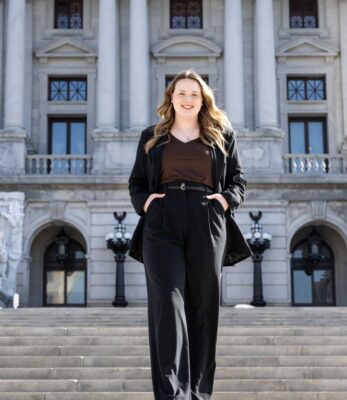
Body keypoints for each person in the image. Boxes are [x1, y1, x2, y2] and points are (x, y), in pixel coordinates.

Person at [128, 70, 252, 400]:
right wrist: (145, 203)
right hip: (162, 221)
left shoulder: (221, 135)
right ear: (170, 98)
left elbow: (238, 180)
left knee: (203, 307)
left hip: (206, 216)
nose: (187, 99)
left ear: (203, 100)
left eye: (194, 94)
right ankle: (171, 394)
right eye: (181, 93)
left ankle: (198, 392)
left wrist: (226, 200)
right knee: (167, 303)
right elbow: (137, 183)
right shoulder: (151, 137)